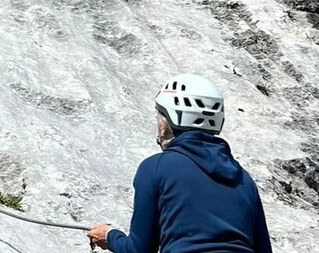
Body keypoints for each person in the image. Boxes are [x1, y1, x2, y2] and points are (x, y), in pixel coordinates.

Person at [88, 74, 272, 253]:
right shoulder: (244, 180)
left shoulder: (155, 168)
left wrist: (110, 236)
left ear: (166, 121)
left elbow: (140, 249)